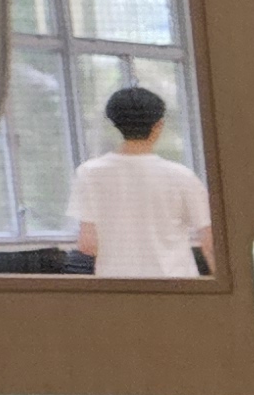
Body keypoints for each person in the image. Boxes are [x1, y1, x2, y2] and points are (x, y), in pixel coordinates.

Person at [66, 85, 208, 278]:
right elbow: (210, 240)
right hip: (177, 284)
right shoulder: (181, 176)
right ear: (158, 125)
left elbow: (87, 244)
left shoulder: (89, 173)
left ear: (114, 123)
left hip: (118, 285)